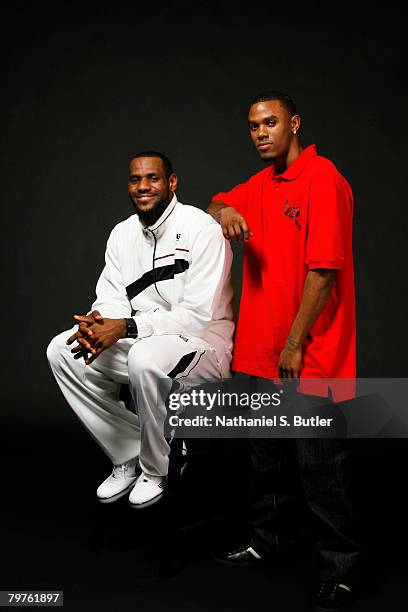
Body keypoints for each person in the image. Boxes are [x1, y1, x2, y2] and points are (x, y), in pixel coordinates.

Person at [207, 92, 359, 612]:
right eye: (252, 126)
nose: (260, 133)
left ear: (294, 123)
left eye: (270, 122)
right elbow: (215, 202)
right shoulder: (261, 183)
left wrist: (295, 342)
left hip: (309, 352)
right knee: (265, 459)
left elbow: (324, 269)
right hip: (258, 350)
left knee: (321, 468)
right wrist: (226, 211)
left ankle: (339, 569)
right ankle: (267, 540)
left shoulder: (324, 178)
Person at [47, 151, 234, 508]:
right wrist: (98, 323)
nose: (143, 186)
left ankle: (157, 467)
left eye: (153, 178)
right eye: (135, 179)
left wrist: (126, 326)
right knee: (62, 351)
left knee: (145, 357)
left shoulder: (203, 229)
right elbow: (112, 298)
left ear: (171, 182)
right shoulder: (122, 234)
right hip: (145, 342)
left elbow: (197, 317)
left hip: (204, 348)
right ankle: (129, 449)